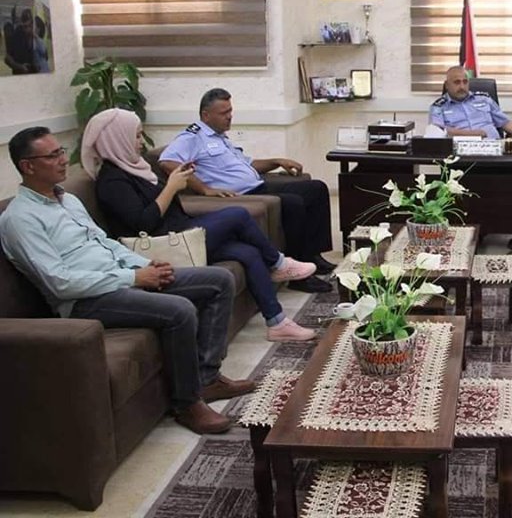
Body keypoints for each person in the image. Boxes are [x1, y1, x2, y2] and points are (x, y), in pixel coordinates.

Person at [0, 127, 256, 435]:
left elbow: (106, 243)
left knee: (219, 280)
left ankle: (207, 378)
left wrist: (145, 264)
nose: (63, 160)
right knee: (180, 310)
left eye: (61, 151)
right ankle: (186, 404)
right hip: (84, 301)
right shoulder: (20, 219)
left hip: (120, 278)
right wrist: (134, 277)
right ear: (28, 166)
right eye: (52, 155)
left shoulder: (67, 200)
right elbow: (61, 283)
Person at [82, 109, 318, 342]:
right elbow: (143, 223)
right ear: (117, 139)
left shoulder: (136, 168)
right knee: (237, 215)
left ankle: (277, 323)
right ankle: (278, 263)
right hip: (161, 245)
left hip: (180, 231)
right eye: (135, 136)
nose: (141, 142)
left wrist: (179, 181)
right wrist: (171, 187)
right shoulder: (112, 180)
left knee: (248, 253)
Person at [160, 88, 335, 292]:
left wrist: (276, 161)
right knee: (292, 203)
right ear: (206, 115)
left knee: (316, 189)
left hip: (258, 185)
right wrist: (204, 188)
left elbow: (249, 164)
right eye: (224, 113)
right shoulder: (192, 137)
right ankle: (298, 277)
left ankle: (313, 255)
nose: (229, 116)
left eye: (230, 111)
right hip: (242, 196)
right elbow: (167, 161)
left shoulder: (220, 137)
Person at [429, 65, 512, 253]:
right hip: (463, 160)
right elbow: (439, 131)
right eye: (456, 82)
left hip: (495, 155)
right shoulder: (438, 107)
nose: (462, 86)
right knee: (468, 187)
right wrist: (477, 133)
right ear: (447, 85)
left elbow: (506, 123)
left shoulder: (484, 100)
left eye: (465, 81)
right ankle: (474, 233)